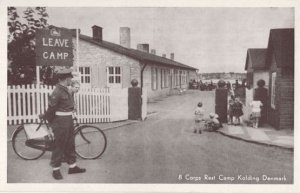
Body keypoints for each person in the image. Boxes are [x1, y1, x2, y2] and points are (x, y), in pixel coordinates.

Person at [43, 68, 86, 180]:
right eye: (70, 78)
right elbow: (51, 109)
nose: (71, 80)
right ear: (66, 79)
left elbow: (67, 104)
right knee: (59, 145)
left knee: (70, 144)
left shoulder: (65, 89)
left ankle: (72, 167)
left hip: (68, 120)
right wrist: (53, 123)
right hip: (60, 122)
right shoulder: (57, 91)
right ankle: (55, 170)